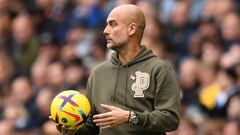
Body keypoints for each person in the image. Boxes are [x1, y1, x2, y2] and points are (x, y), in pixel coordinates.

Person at [54, 4, 181, 135]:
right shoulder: (98, 73)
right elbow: (92, 126)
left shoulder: (159, 69)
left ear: (131, 29)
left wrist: (130, 117)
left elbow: (171, 119)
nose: (105, 30)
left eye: (112, 24)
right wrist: (73, 130)